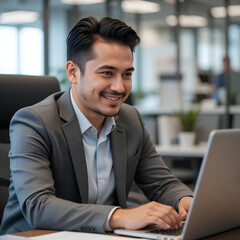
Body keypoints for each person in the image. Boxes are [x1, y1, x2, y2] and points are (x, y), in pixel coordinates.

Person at [0, 16, 193, 235]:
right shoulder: (34, 122)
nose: (120, 87)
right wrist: (119, 216)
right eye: (107, 73)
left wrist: (186, 200)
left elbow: (162, 183)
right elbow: (38, 206)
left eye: (127, 74)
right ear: (73, 72)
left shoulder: (132, 120)